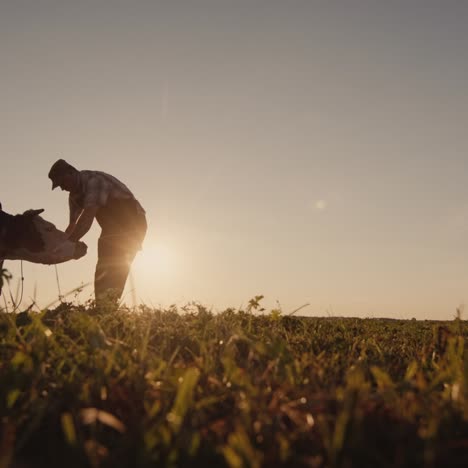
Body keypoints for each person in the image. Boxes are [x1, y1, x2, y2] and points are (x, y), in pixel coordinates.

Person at [48, 159, 147, 306]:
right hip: (112, 227)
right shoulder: (74, 196)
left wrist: (71, 242)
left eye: (62, 183)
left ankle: (107, 309)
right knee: (104, 265)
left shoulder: (94, 181)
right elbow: (72, 225)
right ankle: (103, 307)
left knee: (116, 264)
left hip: (132, 222)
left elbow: (87, 218)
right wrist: (60, 245)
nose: (62, 188)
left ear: (71, 172)